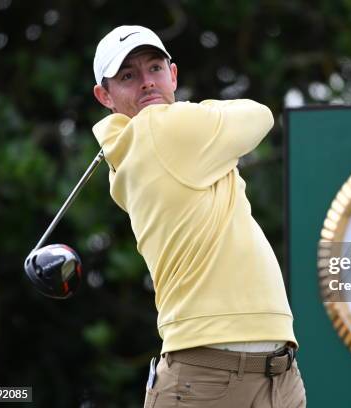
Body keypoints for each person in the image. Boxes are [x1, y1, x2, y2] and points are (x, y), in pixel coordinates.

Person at [92, 25, 306, 407]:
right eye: (128, 76)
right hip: (207, 380)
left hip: (277, 376)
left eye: (155, 68)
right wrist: (200, 110)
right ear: (104, 96)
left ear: (173, 74)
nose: (146, 83)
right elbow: (258, 116)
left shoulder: (153, 144)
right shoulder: (158, 128)